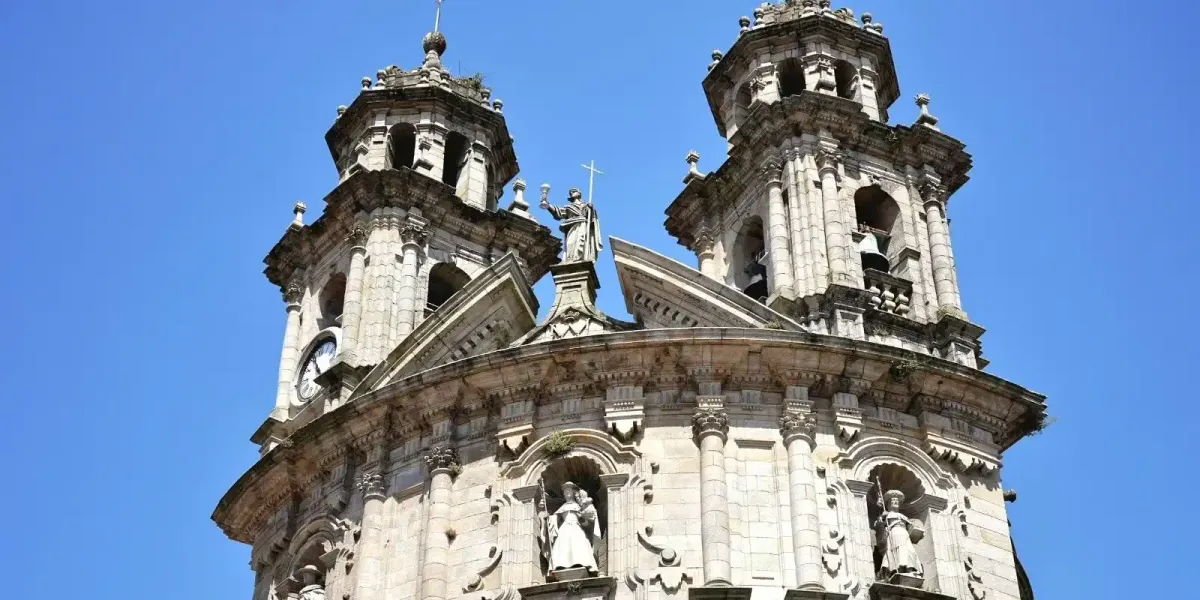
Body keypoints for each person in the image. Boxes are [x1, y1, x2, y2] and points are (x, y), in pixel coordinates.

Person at [546, 482, 600, 573]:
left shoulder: (578, 505)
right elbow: (556, 518)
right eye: (565, 491)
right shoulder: (562, 507)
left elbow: (586, 520)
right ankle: (560, 565)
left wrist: (584, 515)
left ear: (573, 493)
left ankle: (580, 562)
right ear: (563, 494)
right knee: (563, 545)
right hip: (565, 527)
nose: (567, 493)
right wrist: (551, 518)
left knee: (578, 543)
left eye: (569, 491)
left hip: (576, 526)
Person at [541, 188, 602, 263]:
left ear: (579, 194)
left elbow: (592, 220)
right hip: (573, 227)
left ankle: (581, 259)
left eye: (575, 191)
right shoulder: (569, 207)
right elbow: (559, 213)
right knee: (571, 243)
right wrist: (548, 205)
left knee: (582, 242)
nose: (573, 192)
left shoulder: (586, 206)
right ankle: (571, 259)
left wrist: (591, 209)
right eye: (571, 192)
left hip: (583, 225)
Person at [875, 489, 923, 579]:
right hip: (895, 532)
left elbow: (911, 527)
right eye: (893, 501)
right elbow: (879, 525)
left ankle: (910, 569)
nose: (895, 502)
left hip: (905, 534)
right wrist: (882, 516)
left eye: (897, 501)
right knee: (898, 549)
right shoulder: (887, 514)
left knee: (910, 550)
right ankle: (898, 569)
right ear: (889, 504)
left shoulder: (903, 516)